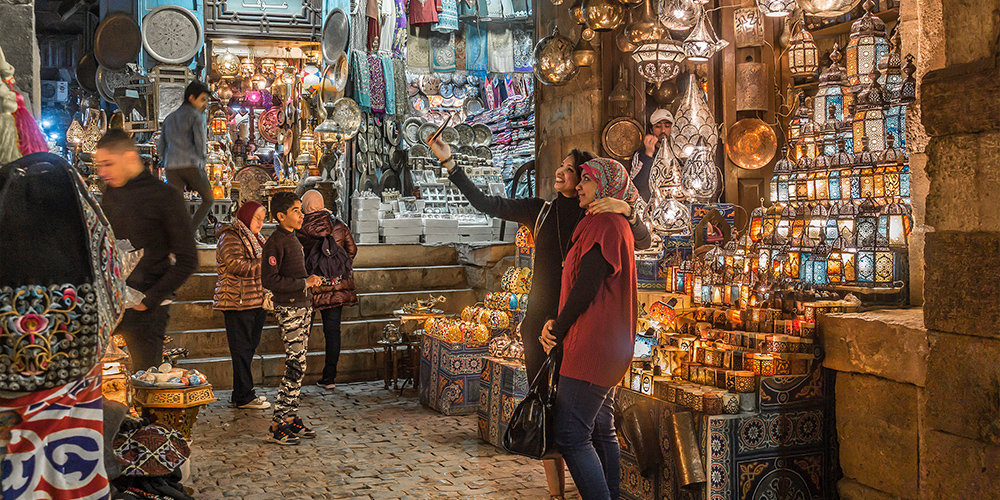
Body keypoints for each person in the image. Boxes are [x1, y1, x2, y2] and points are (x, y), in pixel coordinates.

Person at [429, 138, 649, 500]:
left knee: (591, 424)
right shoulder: (543, 212)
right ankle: (556, 492)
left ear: (593, 181)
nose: (561, 173)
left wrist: (627, 208)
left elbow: (640, 240)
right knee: (549, 411)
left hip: (579, 328)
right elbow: (487, 203)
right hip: (545, 326)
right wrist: (451, 164)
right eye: (563, 168)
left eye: (573, 171)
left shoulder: (601, 217)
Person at [540, 157, 639, 500]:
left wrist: (558, 328)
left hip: (592, 343)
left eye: (586, 179)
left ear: (605, 186)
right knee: (600, 427)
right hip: (608, 344)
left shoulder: (605, 225)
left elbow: (586, 286)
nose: (579, 186)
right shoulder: (605, 222)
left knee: (571, 435)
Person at [98, 129, 198, 373]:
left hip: (147, 311)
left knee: (145, 379)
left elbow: (187, 259)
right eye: (99, 165)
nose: (102, 172)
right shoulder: (110, 194)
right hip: (110, 304)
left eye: (108, 164)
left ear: (130, 157)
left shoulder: (165, 196)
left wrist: (149, 299)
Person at [262, 191, 323, 445]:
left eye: (301, 210)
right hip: (289, 309)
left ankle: (290, 416)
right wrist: (302, 283)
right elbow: (270, 279)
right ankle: (277, 423)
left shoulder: (293, 238)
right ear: (280, 216)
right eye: (295, 211)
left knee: (300, 364)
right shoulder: (275, 242)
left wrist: (309, 284)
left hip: (302, 305)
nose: (301, 215)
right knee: (295, 365)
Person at [296, 190, 358, 390]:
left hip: (311, 287)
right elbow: (352, 250)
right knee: (333, 332)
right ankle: (329, 378)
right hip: (336, 285)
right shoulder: (339, 225)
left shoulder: (299, 227)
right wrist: (336, 267)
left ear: (305, 206)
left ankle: (296, 377)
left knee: (302, 333)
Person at [213, 201, 271, 410]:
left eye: (263, 219)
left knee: (248, 348)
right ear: (246, 216)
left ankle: (241, 393)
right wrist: (267, 263)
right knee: (242, 349)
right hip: (237, 300)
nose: (260, 223)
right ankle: (245, 396)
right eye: (257, 218)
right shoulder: (230, 236)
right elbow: (236, 265)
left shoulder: (257, 239)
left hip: (255, 299)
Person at [159, 81, 213, 234]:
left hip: (171, 168)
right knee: (208, 199)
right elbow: (200, 144)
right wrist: (202, 165)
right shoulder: (197, 116)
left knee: (179, 205)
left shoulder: (169, 118)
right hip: (191, 165)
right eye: (202, 99)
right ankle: (190, 232)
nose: (205, 104)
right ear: (191, 98)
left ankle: (178, 235)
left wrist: (166, 161)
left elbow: (161, 146)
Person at [629, 108, 673, 201]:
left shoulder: (678, 152)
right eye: (658, 126)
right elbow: (635, 185)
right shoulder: (641, 154)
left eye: (667, 126)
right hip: (651, 203)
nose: (663, 130)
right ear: (651, 130)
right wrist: (648, 154)